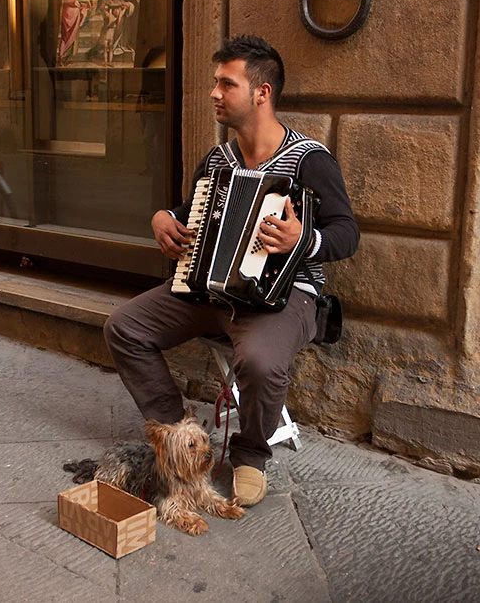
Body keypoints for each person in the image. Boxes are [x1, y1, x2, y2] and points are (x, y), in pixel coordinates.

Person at [103, 35, 359, 507]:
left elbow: (347, 233)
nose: (214, 93)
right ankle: (179, 433)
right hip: (208, 290)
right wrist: (163, 219)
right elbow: (189, 211)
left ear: (261, 93)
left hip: (283, 297)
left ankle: (251, 452)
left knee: (260, 363)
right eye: (214, 83)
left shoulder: (310, 161)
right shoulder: (218, 160)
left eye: (227, 83)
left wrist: (302, 240)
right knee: (125, 327)